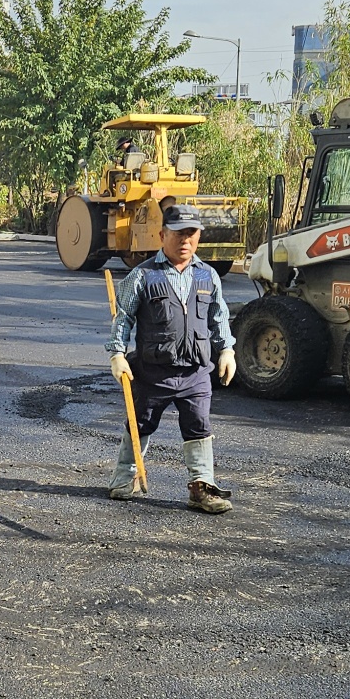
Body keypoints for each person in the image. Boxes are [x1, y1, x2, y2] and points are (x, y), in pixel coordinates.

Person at [105, 201, 237, 514]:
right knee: (140, 423)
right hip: (153, 372)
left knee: (199, 425)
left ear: (199, 237)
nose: (185, 240)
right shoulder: (143, 275)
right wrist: (117, 354)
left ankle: (201, 487)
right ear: (163, 235)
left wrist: (227, 350)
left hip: (196, 372)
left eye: (191, 233)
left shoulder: (208, 276)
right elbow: (123, 317)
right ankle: (126, 476)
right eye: (178, 233)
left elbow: (219, 316)